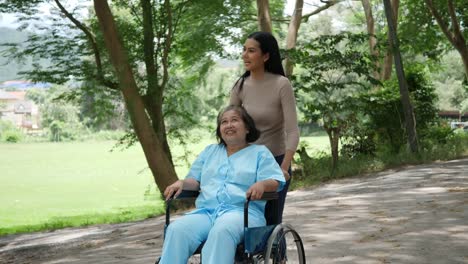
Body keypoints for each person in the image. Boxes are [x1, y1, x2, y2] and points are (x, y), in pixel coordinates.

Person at [159, 105, 285, 264]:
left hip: (242, 213)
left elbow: (275, 180)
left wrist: (262, 184)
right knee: (177, 230)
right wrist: (181, 183)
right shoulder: (209, 151)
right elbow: (195, 181)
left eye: (234, 120)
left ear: (247, 127)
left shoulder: (259, 153)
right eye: (224, 122)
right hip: (207, 212)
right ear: (220, 130)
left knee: (221, 231)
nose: (229, 125)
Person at [229, 31, 300, 223]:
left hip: (275, 163)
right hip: (247, 163)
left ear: (266, 56)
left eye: (251, 51)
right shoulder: (240, 86)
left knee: (270, 221)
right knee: (243, 219)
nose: (244, 55)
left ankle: (279, 254)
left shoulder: (281, 84)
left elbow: (292, 131)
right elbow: (230, 127)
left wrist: (283, 169)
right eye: (244, 50)